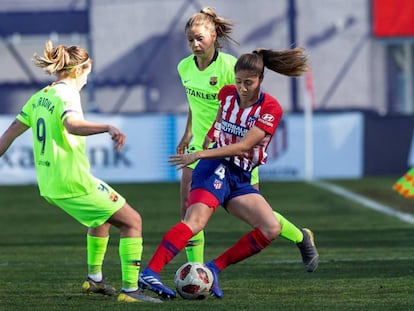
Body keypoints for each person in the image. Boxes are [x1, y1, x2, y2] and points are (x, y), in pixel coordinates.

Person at [138, 47, 319, 299]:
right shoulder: (226, 94)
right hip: (215, 168)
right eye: (238, 81)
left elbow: (245, 145)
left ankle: (214, 268)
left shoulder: (270, 109)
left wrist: (199, 153)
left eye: (249, 82)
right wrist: (210, 137)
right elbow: (220, 120)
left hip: (240, 175)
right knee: (194, 222)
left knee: (270, 228)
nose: (242, 88)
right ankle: (150, 272)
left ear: (260, 80)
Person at [0, 41, 161, 304]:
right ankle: (131, 291)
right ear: (78, 70)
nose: (87, 79)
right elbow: (72, 124)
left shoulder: (40, 96)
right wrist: (107, 126)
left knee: (100, 219)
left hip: (50, 184)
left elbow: (8, 134)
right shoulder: (66, 94)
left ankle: (95, 280)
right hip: (73, 181)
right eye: (87, 72)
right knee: (133, 221)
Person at [177, 7, 317, 269]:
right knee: (188, 212)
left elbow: (253, 101)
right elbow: (192, 102)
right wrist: (188, 133)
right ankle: (193, 271)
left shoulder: (231, 66)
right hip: (200, 147)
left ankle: (301, 237)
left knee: (256, 215)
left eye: (200, 38)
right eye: (190, 40)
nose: (195, 44)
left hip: (235, 152)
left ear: (214, 35)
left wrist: (247, 140)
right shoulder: (184, 67)